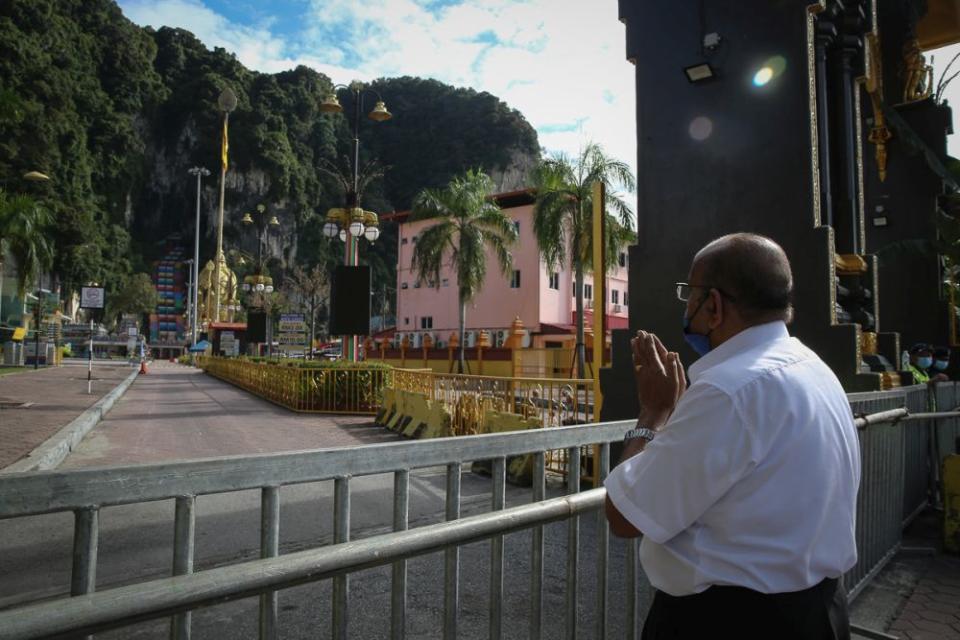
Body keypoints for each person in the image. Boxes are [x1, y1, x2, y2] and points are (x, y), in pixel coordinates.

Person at [604, 233, 860, 640]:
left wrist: (655, 410)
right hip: (818, 612)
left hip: (733, 620)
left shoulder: (729, 391)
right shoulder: (814, 369)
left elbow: (624, 514)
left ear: (715, 306)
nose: (687, 307)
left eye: (690, 294)